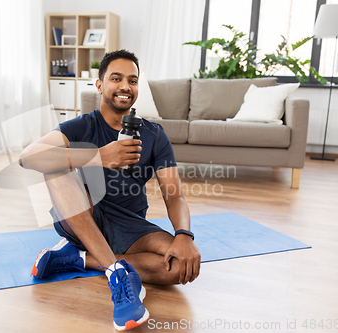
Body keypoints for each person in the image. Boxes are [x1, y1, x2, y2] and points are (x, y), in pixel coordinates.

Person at [19, 49, 201, 331]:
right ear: (100, 84)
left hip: (130, 224)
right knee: (54, 163)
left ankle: (80, 259)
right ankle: (118, 274)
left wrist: (184, 235)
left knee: (178, 266)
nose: (126, 86)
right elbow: (27, 157)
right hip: (84, 216)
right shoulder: (82, 126)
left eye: (133, 80)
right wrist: (98, 156)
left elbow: (174, 194)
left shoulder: (154, 134)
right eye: (116, 78)